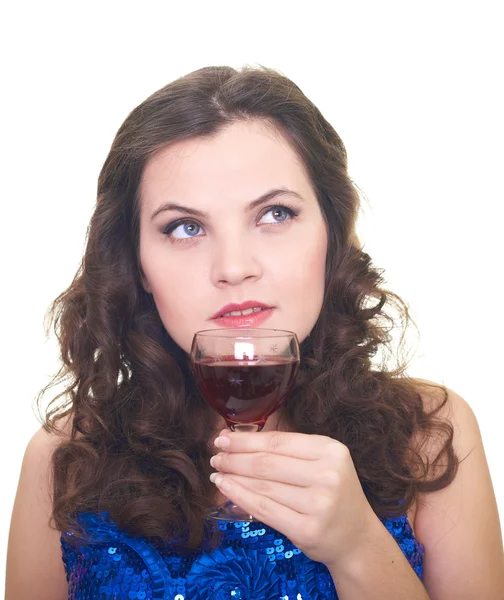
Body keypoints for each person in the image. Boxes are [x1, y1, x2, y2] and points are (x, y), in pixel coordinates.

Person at [6, 65, 504, 600]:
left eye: (274, 214)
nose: (234, 266)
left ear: (333, 234)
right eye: (185, 227)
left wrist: (358, 546)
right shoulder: (66, 458)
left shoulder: (428, 435)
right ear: (139, 266)